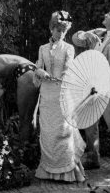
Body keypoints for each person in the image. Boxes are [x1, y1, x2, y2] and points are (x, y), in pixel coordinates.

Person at [71, 7, 110, 174]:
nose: (106, 14)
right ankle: (93, 157)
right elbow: (75, 39)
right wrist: (84, 35)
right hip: (93, 87)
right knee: (90, 123)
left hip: (106, 87)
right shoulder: (99, 32)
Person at [34, 11, 86, 182]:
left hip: (62, 94)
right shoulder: (42, 48)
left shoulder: (68, 48)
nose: (61, 33)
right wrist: (41, 72)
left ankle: (67, 172)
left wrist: (63, 74)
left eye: (64, 31)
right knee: (48, 133)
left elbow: (70, 66)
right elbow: (38, 67)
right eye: (58, 30)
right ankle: (47, 171)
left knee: (63, 132)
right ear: (51, 29)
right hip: (46, 96)